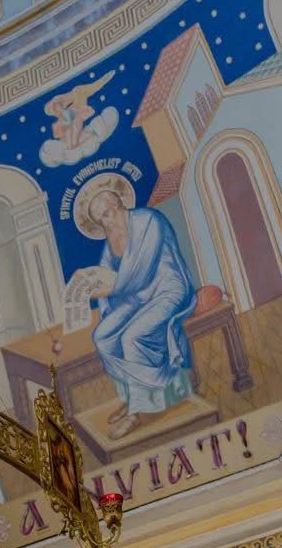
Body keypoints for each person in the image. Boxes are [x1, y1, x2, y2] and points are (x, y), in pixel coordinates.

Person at [80, 177, 196, 435]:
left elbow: (141, 272)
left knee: (132, 336)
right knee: (103, 336)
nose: (106, 223)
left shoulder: (149, 221)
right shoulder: (111, 240)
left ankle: (138, 411)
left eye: (107, 214)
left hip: (167, 289)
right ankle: (132, 395)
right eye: (100, 220)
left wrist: (110, 288)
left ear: (118, 205)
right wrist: (95, 290)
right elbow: (106, 274)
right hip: (136, 298)